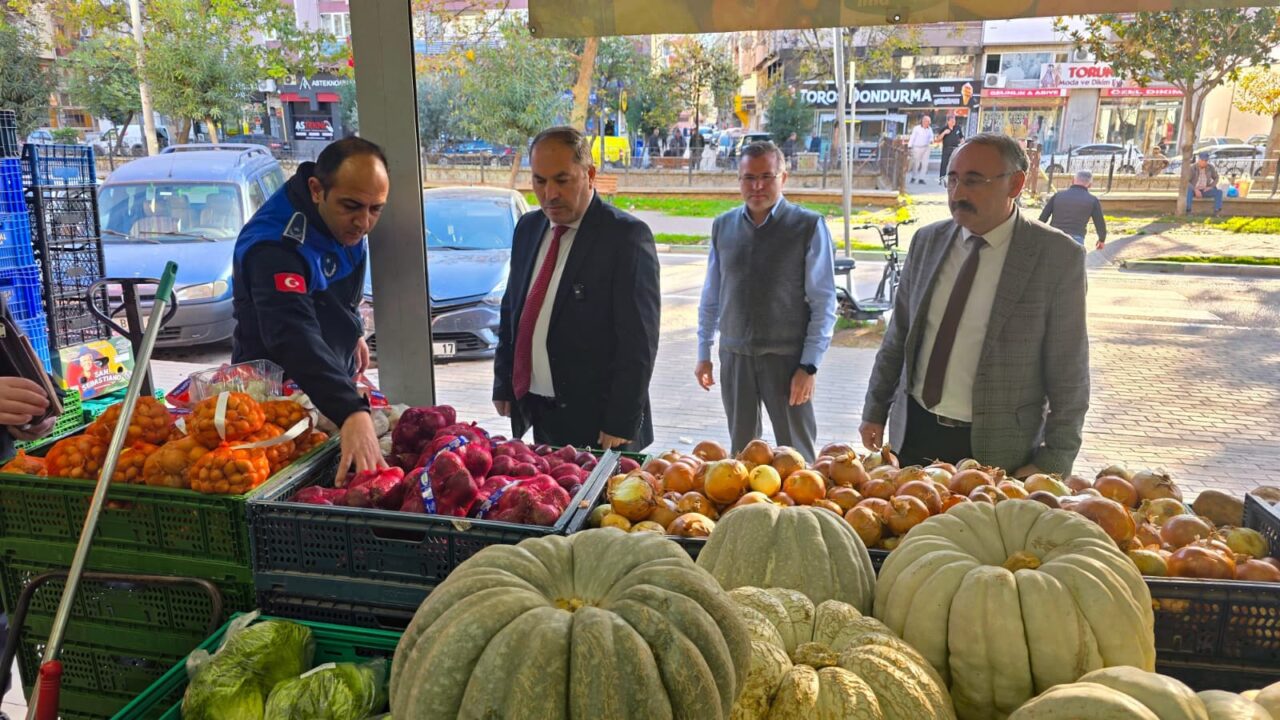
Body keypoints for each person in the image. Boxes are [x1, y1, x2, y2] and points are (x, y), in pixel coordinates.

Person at [860, 133, 1089, 476]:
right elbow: (899, 337)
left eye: (973, 181)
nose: (958, 193)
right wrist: (874, 410)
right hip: (914, 434)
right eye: (952, 179)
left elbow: (1069, 372)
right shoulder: (927, 242)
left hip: (997, 450)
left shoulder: (1056, 257)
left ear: (1015, 184)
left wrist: (1054, 459)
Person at [492, 126, 661, 451]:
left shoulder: (626, 237)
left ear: (590, 174)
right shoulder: (529, 228)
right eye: (539, 181)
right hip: (542, 411)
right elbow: (512, 307)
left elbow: (639, 342)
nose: (549, 193)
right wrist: (504, 382)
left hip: (603, 424)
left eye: (562, 180)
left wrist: (620, 421)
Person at [232, 136, 389, 479]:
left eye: (375, 208)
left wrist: (352, 333)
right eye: (352, 206)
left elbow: (335, 290)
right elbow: (292, 334)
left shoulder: (342, 221)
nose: (364, 223)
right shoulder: (276, 246)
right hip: (276, 403)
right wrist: (350, 411)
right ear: (317, 190)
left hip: (328, 387)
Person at [695, 141, 837, 462]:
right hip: (736, 357)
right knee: (741, 460)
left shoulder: (808, 226)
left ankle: (805, 511)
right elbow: (711, 296)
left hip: (788, 361)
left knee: (798, 457)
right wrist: (704, 352)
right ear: (739, 180)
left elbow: (824, 302)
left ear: (783, 178)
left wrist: (809, 365)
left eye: (767, 176)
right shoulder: (723, 226)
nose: (757, 186)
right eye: (748, 177)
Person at [1039, 170, 1108, 250]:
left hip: (1054, 236)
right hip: (1076, 239)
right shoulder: (1092, 200)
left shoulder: (1058, 196)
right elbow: (1100, 222)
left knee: (1050, 261)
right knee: (1073, 262)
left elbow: (1043, 218)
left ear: (1073, 181)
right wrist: (1101, 240)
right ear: (1090, 185)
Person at [1187, 152, 1224, 216]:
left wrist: (1211, 186)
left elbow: (1216, 177)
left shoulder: (1210, 167)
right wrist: (1195, 190)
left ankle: (1217, 211)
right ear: (1199, 160)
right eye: (1202, 160)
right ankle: (1188, 211)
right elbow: (1186, 181)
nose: (1204, 162)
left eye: (1206, 161)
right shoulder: (1192, 168)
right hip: (1194, 189)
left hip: (1205, 189)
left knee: (1219, 192)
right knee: (1188, 191)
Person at [907, 115, 934, 185]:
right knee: (916, 164)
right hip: (917, 147)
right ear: (923, 121)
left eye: (929, 122)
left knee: (925, 164)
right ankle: (914, 177)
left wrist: (931, 140)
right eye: (927, 121)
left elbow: (931, 136)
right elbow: (912, 137)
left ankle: (922, 178)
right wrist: (909, 146)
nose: (928, 123)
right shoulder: (917, 128)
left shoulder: (929, 129)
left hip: (926, 147)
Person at [937, 116, 964, 186]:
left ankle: (954, 178)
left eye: (954, 121)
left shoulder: (958, 128)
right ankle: (941, 178)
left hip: (955, 149)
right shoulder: (944, 128)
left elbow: (961, 137)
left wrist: (963, 144)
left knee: (955, 164)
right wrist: (944, 133)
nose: (953, 122)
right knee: (944, 164)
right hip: (946, 148)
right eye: (951, 121)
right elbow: (938, 139)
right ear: (948, 121)